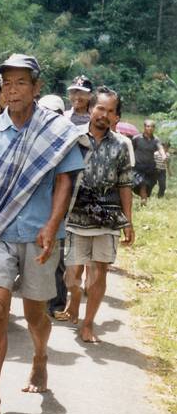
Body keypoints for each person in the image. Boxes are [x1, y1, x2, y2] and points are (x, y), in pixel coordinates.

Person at [0, 55, 84, 414]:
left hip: (39, 237)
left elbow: (65, 179)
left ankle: (40, 356)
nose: (11, 90)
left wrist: (52, 223)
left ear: (36, 88)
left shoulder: (56, 131)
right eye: (6, 83)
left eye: (20, 83)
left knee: (35, 315)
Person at [59, 87, 134, 344]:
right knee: (71, 274)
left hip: (107, 217)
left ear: (116, 118)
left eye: (110, 111)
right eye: (100, 108)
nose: (104, 114)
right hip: (74, 215)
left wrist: (128, 222)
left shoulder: (123, 145)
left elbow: (125, 185)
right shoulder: (73, 138)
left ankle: (88, 324)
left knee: (100, 272)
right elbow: (60, 178)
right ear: (91, 109)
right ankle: (75, 295)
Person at [38, 95, 68, 318]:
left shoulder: (67, 143)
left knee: (57, 260)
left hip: (58, 211)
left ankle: (56, 305)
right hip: (32, 210)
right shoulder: (28, 137)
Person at [132, 120, 162, 205]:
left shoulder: (156, 140)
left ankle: (144, 200)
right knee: (142, 184)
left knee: (148, 186)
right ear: (144, 127)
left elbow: (160, 148)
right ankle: (143, 202)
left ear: (154, 128)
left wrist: (163, 155)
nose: (150, 128)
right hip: (138, 167)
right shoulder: (136, 138)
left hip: (150, 168)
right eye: (148, 126)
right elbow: (130, 150)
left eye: (152, 126)